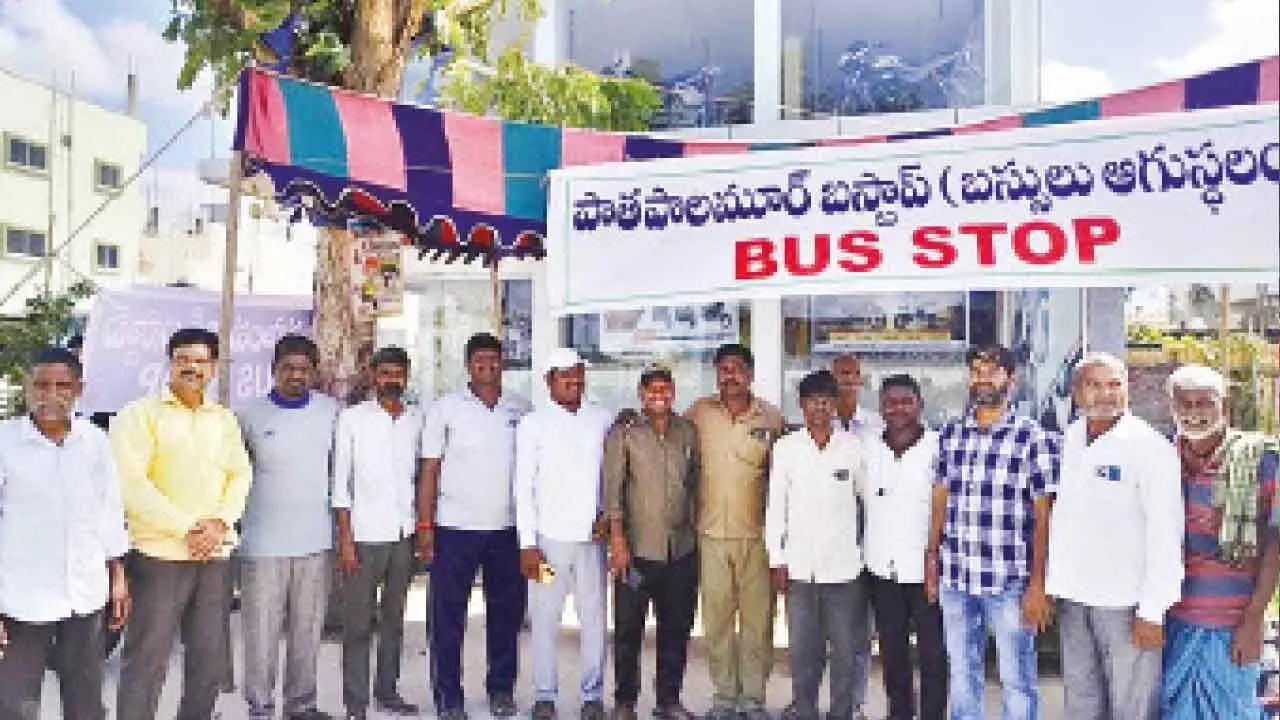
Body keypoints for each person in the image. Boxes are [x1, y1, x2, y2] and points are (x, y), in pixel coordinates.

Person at [110, 328, 254, 720]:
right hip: (160, 557)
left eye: (201, 360)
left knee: (208, 659)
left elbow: (239, 475)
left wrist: (220, 524)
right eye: (183, 359)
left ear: (213, 368)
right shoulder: (139, 416)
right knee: (147, 661)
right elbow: (130, 486)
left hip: (215, 555)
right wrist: (190, 528)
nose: (192, 367)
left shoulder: (223, 419)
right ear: (170, 363)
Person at [1044, 353, 1184, 720]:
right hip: (1075, 597)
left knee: (1131, 706)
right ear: (1076, 393)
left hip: (1127, 602)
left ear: (1128, 389)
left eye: (1114, 384)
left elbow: (1166, 533)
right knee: (1082, 700)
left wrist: (1153, 611)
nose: (1106, 394)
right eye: (1094, 385)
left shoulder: (1150, 448)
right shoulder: (1071, 437)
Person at [924, 344, 1058, 720]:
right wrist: (931, 558)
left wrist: (1038, 584)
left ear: (1011, 380)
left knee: (1017, 677)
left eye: (993, 371)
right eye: (977, 370)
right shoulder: (951, 433)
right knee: (963, 674)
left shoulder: (1032, 437)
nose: (983, 378)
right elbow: (940, 499)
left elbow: (1044, 514)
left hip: (1010, 581)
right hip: (957, 578)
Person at [0, 347, 131, 720]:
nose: (50, 395)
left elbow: (109, 511)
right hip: (21, 599)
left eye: (62, 385)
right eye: (41, 385)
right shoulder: (5, 442)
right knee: (14, 706)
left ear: (79, 389)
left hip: (85, 595)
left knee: (86, 702)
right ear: (27, 387)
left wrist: (117, 576)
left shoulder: (95, 442)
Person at [417, 333, 532, 720]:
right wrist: (425, 525)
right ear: (468, 365)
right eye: (479, 360)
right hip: (454, 530)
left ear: (503, 364)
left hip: (508, 530)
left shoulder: (522, 409)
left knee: (506, 615)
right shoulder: (446, 408)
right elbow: (429, 469)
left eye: (494, 360)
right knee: (447, 619)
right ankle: (449, 696)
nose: (487, 366)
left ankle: (501, 690)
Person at [1160, 364, 1280, 719]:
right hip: (1174, 621)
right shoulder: (1162, 459)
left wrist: (1254, 618)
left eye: (1204, 403)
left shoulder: (1262, 460)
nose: (1194, 413)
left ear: (1224, 406)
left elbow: (1275, 542)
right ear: (1172, 408)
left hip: (1233, 624)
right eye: (1185, 404)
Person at [237, 335, 342, 720]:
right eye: (288, 368)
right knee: (260, 636)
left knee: (307, 633)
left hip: (316, 541)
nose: (296, 375)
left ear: (315, 372)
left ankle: (301, 706)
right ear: (273, 370)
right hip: (262, 545)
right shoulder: (248, 416)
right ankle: (260, 709)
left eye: (304, 369)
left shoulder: (333, 412)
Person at [686, 343, 785, 720]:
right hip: (710, 534)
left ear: (751, 373)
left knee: (758, 623)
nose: (730, 375)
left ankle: (753, 699)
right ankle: (725, 696)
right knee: (717, 621)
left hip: (757, 536)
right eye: (724, 368)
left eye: (738, 368)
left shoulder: (771, 419)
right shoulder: (698, 413)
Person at [515, 348, 614, 720]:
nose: (573, 381)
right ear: (548, 381)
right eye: (564, 375)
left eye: (577, 374)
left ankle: (592, 696)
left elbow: (610, 477)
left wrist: (607, 517)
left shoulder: (600, 419)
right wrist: (528, 545)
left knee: (593, 619)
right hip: (547, 544)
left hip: (592, 542)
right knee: (544, 618)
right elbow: (523, 488)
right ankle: (545, 695)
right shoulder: (533, 425)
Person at [765, 370, 869, 720]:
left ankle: (842, 713)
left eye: (826, 401)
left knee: (844, 653)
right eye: (812, 401)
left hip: (844, 573)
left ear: (836, 405)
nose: (820, 408)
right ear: (802, 405)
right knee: (803, 654)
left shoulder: (854, 448)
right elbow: (775, 507)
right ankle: (805, 711)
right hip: (798, 571)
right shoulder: (786, 448)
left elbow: (868, 503)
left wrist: (864, 557)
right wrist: (776, 559)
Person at [604, 365, 701, 720]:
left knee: (675, 630)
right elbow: (612, 492)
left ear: (673, 392)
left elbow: (694, 485)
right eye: (651, 390)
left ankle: (668, 700)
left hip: (681, 550)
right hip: (636, 550)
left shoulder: (687, 432)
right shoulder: (625, 433)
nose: (659, 395)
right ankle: (625, 701)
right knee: (629, 630)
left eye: (665, 389)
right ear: (641, 395)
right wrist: (617, 542)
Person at [333, 346, 422, 720]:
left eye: (397, 373)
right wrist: (346, 541)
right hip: (364, 537)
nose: (391, 380)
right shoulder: (353, 419)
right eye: (384, 373)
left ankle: (387, 691)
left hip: (404, 534)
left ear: (406, 376)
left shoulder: (417, 418)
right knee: (356, 625)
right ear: (372, 376)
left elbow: (421, 476)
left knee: (394, 620)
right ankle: (355, 704)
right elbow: (340, 485)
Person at [862, 374, 947, 720]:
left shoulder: (939, 447)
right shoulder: (868, 446)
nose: (897, 408)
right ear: (881, 406)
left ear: (919, 405)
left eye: (905, 401)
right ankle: (899, 713)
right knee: (893, 653)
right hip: (882, 568)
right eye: (890, 401)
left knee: (933, 657)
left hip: (926, 571)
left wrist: (936, 557)